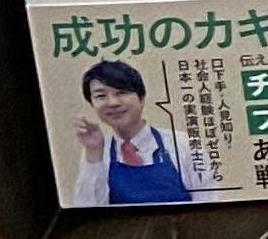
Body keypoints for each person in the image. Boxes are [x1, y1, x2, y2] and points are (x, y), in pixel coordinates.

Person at [64, 58, 212, 205]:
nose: (113, 103)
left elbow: (209, 202)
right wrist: (94, 152)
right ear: (92, 103)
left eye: (121, 92)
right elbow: (86, 210)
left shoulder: (183, 144)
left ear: (141, 98)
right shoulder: (98, 152)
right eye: (101, 96)